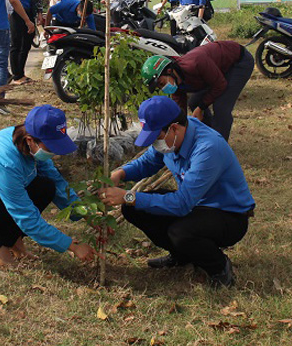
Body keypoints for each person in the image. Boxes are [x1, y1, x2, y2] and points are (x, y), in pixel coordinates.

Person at [98, 96, 254, 288]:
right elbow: (148, 161)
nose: (155, 144)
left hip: (227, 214)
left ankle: (219, 268)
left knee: (180, 232)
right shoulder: (170, 141)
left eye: (157, 138)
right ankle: (182, 256)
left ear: (174, 128)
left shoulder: (208, 148)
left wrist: (128, 196)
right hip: (196, 206)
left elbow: (181, 204)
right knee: (133, 209)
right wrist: (120, 173)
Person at [0, 105, 96, 267]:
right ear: (30, 140)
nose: (54, 152)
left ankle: (14, 241)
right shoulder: (4, 162)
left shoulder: (27, 142)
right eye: (51, 147)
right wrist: (72, 246)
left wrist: (86, 214)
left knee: (46, 187)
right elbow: (26, 216)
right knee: (29, 203)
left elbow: (56, 182)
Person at [140, 40, 254, 141]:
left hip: (238, 62)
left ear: (169, 71)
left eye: (161, 83)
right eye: (160, 87)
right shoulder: (176, 82)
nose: (163, 88)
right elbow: (180, 110)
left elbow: (220, 85)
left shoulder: (195, 64)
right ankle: (209, 137)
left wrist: (201, 108)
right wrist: (178, 128)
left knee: (221, 107)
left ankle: (219, 146)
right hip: (216, 71)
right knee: (194, 102)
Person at [7, 0, 43, 86]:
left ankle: (21, 72)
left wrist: (39, 13)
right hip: (14, 14)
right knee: (15, 43)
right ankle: (16, 75)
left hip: (29, 11)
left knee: (27, 43)